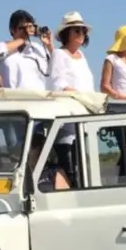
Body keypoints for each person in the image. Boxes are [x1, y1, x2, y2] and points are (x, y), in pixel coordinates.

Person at [48, 12, 94, 180]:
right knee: (71, 170)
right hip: (69, 122)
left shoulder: (82, 56)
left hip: (85, 119)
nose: (81, 34)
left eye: (83, 31)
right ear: (66, 34)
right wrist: (77, 95)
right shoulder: (59, 54)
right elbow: (58, 84)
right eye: (76, 31)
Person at [0, 9, 52, 92]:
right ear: (12, 30)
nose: (26, 30)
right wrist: (23, 38)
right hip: (12, 99)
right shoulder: (2, 45)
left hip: (38, 99)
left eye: (30, 26)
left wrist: (49, 45)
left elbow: (56, 66)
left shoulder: (38, 48)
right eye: (22, 28)